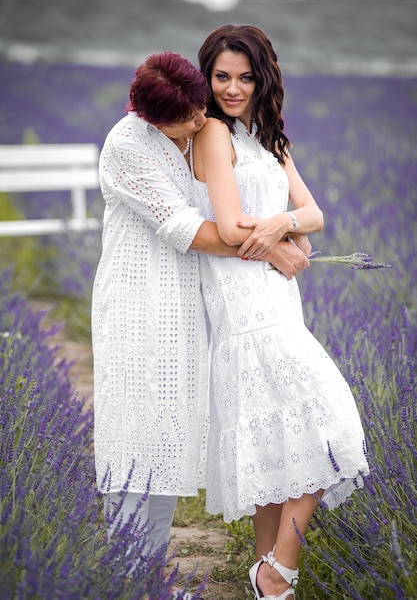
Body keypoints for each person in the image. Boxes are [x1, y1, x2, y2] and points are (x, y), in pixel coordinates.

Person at [91, 50, 310, 598]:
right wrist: (273, 251)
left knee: (168, 438)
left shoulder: (193, 131)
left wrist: (280, 225)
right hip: (139, 310)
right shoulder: (126, 146)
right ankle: (132, 582)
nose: (200, 120)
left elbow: (237, 208)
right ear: (149, 116)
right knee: (138, 436)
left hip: (192, 310)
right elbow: (186, 228)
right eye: (187, 117)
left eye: (198, 109)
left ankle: (145, 580)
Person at [192, 24, 370, 600]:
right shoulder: (212, 132)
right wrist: (278, 247)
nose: (233, 88)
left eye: (245, 77)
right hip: (243, 303)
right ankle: (276, 571)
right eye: (222, 77)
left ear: (262, 79)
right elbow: (225, 224)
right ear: (208, 77)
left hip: (278, 302)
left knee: (278, 443)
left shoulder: (269, 138)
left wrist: (281, 226)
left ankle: (268, 582)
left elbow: (313, 212)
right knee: (331, 425)